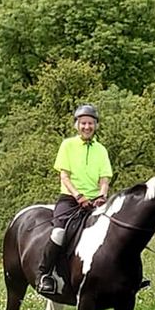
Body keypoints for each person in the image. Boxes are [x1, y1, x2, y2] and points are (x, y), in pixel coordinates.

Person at [36, 104, 112, 294]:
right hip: (70, 199)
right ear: (77, 125)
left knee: (116, 231)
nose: (87, 127)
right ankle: (44, 274)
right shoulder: (67, 145)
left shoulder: (101, 150)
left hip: (95, 202)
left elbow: (104, 179)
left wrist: (102, 196)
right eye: (83, 123)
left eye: (91, 123)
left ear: (96, 125)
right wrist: (78, 196)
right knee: (59, 233)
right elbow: (64, 177)